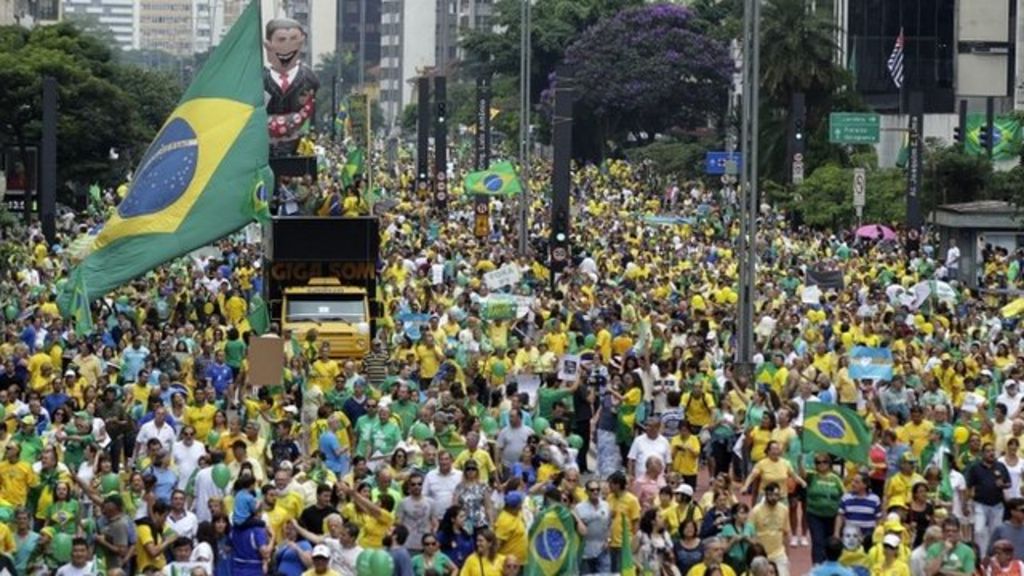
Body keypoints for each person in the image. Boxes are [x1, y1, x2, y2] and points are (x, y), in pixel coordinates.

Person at [969, 443, 1012, 553]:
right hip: (980, 504)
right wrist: (968, 501)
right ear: (982, 453)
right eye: (988, 451)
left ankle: (993, 556)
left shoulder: (1001, 466)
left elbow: (1009, 483)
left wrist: (1003, 485)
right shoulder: (975, 467)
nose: (991, 453)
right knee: (978, 530)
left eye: (993, 450)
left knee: (995, 532)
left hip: (997, 505)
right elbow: (969, 485)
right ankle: (979, 556)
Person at [751, 483, 790, 576]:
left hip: (779, 553)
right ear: (765, 494)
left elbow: (786, 533)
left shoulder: (784, 509)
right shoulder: (756, 511)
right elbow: (750, 534)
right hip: (761, 555)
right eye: (771, 495)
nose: (774, 498)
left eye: (776, 495)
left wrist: (787, 555)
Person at [576, 479, 611, 574]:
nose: (595, 492)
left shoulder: (606, 505)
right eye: (592, 490)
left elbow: (609, 525)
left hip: (603, 549)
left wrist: (608, 540)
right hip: (586, 551)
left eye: (597, 489)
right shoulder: (579, 508)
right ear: (586, 491)